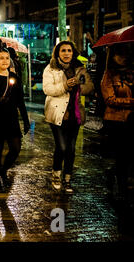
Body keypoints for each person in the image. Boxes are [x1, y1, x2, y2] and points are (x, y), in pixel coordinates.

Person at [43, 41, 94, 193]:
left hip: (75, 113)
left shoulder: (80, 68)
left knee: (71, 149)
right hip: (57, 113)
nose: (66, 53)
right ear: (58, 53)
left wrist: (79, 85)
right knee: (62, 146)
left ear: (73, 52)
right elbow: (48, 89)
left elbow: (90, 87)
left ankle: (67, 179)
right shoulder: (51, 68)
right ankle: (56, 175)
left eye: (69, 50)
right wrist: (65, 86)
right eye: (63, 50)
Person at [0, 48, 30, 192]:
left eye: (7, 58)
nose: (5, 61)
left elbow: (20, 101)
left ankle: (3, 170)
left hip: (11, 119)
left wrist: (26, 120)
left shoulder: (15, 78)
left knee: (15, 148)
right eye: (1, 58)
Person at [101, 44, 133, 203]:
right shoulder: (109, 74)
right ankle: (121, 186)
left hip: (131, 119)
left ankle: (116, 174)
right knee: (122, 154)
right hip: (116, 121)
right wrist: (130, 101)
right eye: (119, 55)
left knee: (129, 155)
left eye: (125, 54)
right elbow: (109, 99)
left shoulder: (131, 73)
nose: (123, 58)